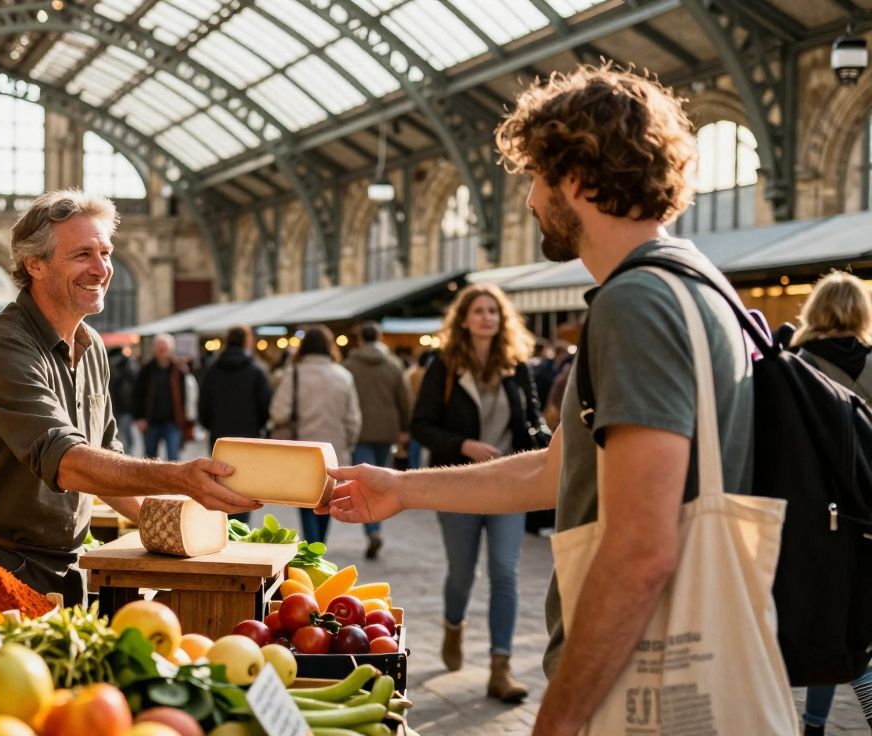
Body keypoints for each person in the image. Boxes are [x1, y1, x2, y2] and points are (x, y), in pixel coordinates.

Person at [324, 65, 759, 729]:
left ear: (579, 179)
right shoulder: (695, 285)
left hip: (644, 683)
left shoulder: (637, 304)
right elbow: (552, 471)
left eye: (536, 175)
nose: (529, 200)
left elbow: (641, 549)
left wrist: (556, 721)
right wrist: (402, 488)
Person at [0, 190, 259, 605]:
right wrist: (177, 477)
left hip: (66, 563)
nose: (102, 268)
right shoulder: (1, 346)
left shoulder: (90, 348)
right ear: (35, 264)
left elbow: (105, 457)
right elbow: (69, 463)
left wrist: (177, 529)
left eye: (105, 252)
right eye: (82, 255)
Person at [409, 284, 544, 702]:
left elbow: (533, 421)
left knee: (504, 572)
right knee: (462, 573)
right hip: (460, 485)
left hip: (509, 484)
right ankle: (453, 625)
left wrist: (547, 443)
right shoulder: (445, 366)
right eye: (479, 311)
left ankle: (499, 668)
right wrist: (464, 445)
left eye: (494, 311)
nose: (487, 317)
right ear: (463, 319)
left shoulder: (517, 366)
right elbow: (422, 425)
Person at [789, 271, 872, 735]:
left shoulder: (794, 365)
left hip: (818, 517)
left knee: (832, 625)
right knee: (855, 632)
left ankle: (815, 725)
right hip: (869, 512)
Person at [270, 325, 360, 544]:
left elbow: (278, 412)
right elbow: (353, 419)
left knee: (306, 500)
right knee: (327, 500)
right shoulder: (344, 376)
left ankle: (312, 545)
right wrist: (348, 444)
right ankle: (320, 543)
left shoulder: (295, 373)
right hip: (334, 449)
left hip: (303, 449)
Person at [342, 322, 410, 558]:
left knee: (365, 483)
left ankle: (373, 530)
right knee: (382, 479)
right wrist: (404, 427)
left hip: (361, 431)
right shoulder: (394, 365)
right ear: (380, 337)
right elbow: (404, 398)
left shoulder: (349, 365)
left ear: (360, 340)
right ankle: (375, 529)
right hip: (387, 430)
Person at [198, 325, 271, 524]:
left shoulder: (213, 370)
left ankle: (223, 528)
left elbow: (203, 404)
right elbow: (266, 406)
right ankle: (241, 527)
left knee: (220, 484)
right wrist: (258, 427)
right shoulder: (256, 371)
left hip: (220, 437)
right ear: (247, 341)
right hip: (249, 438)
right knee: (245, 486)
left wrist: (211, 425)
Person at [132, 334, 190, 461]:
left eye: (165, 348)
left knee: (174, 459)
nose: (162, 351)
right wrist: (139, 417)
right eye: (160, 348)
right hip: (151, 422)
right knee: (150, 459)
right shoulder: (146, 370)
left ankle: (173, 482)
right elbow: (137, 395)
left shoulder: (179, 370)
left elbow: (186, 397)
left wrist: (186, 419)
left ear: (171, 349)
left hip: (173, 422)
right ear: (154, 349)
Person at [108, 346, 139, 455]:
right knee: (126, 436)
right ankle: (127, 457)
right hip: (124, 407)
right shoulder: (127, 364)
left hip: (114, 406)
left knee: (117, 435)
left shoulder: (108, 364)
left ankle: (123, 457)